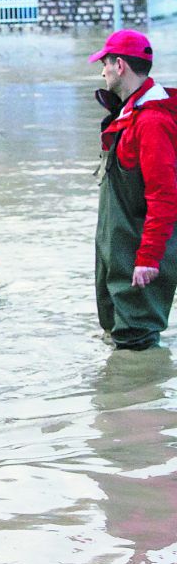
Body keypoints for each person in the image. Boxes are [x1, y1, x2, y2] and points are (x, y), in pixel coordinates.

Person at [90, 29, 177, 350]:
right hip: (118, 255)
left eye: (105, 63)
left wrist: (149, 257)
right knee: (118, 340)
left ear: (120, 66)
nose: (102, 71)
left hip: (138, 259)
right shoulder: (127, 114)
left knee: (137, 347)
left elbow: (165, 196)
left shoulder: (152, 122)